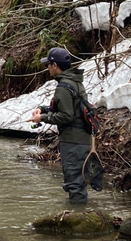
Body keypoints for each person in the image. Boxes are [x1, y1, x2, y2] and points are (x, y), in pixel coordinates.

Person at [30, 46, 93, 204]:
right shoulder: (74, 81)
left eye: (48, 65)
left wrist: (42, 117)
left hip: (73, 142)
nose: (47, 68)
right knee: (78, 181)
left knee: (75, 184)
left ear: (54, 66)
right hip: (81, 140)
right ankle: (79, 214)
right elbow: (70, 107)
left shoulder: (63, 87)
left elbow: (66, 116)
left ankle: (78, 219)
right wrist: (44, 109)